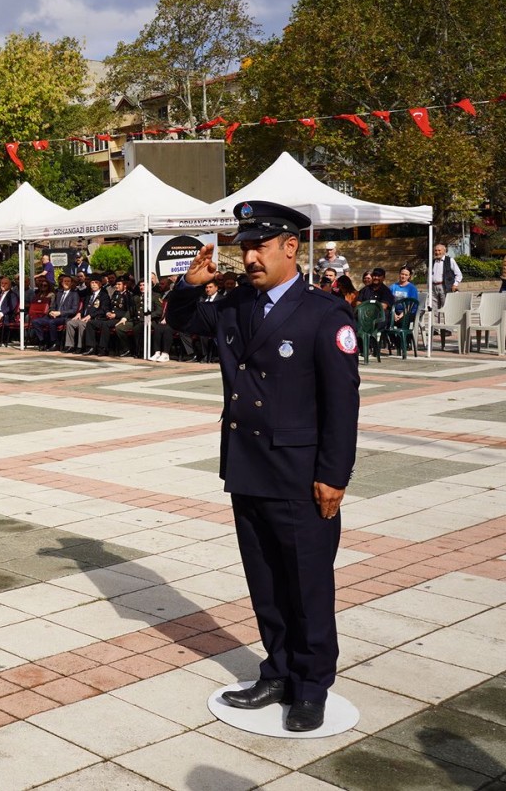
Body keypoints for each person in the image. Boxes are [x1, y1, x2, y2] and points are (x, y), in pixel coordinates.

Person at [167, 200, 359, 734]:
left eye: (260, 246)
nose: (249, 256)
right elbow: (181, 320)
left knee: (308, 582)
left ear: (289, 247)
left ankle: (312, 684)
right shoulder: (235, 306)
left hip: (300, 475)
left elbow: (343, 402)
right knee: (266, 579)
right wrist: (190, 283)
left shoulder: (324, 313)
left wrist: (334, 475)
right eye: (244, 247)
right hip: (248, 467)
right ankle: (276, 670)